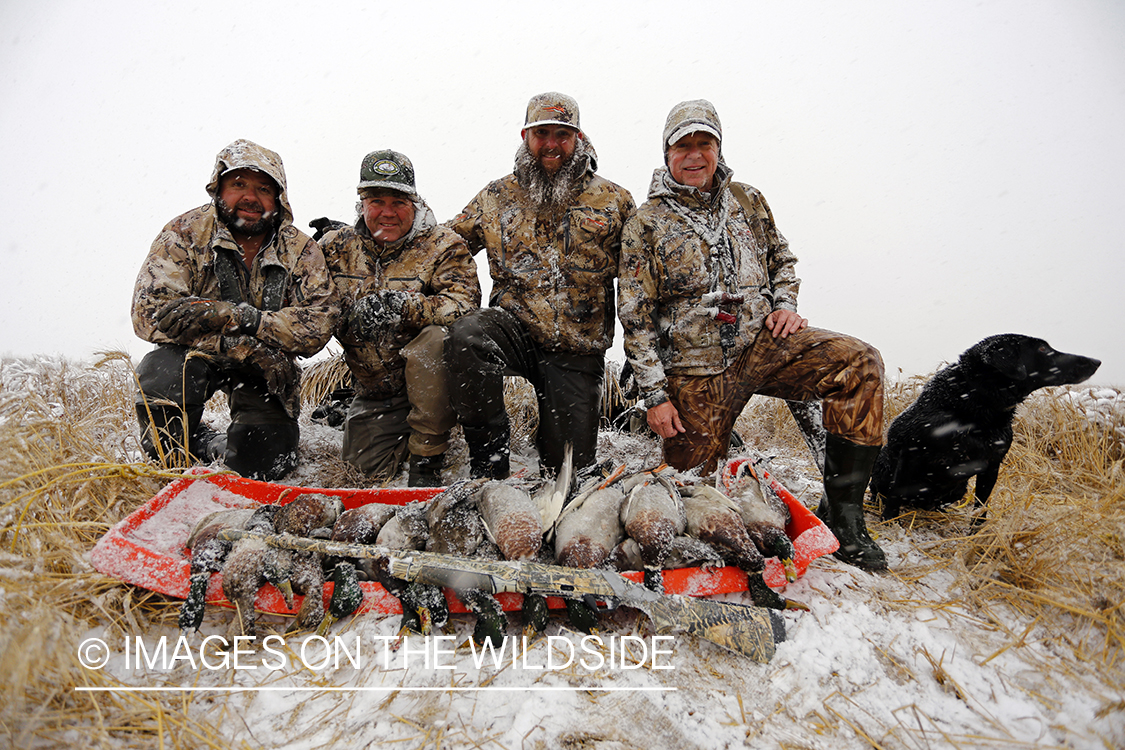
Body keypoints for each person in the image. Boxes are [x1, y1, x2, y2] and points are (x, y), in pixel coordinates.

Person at [618, 100, 888, 571]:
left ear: (719, 149)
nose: (695, 155)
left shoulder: (749, 200)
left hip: (765, 345)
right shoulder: (645, 223)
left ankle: (844, 519)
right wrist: (656, 397)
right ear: (667, 153)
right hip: (696, 368)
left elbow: (782, 261)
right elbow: (635, 316)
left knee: (859, 362)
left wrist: (786, 304)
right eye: (684, 145)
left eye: (706, 143)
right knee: (690, 491)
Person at [444, 92, 636, 479]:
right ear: (525, 136)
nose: (551, 144)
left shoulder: (614, 201)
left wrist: (640, 348)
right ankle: (490, 460)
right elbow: (443, 244)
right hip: (513, 331)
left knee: (567, 473)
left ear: (578, 138)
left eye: (562, 134)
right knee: (467, 336)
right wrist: (361, 238)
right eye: (541, 133)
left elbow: (640, 280)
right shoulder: (496, 197)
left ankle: (552, 441)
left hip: (576, 350)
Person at [132, 139, 339, 481]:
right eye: (238, 184)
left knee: (267, 463)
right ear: (218, 188)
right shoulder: (183, 233)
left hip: (266, 370)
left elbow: (319, 322)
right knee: (164, 373)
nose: (250, 197)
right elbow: (149, 312)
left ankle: (217, 447)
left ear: (278, 198)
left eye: (263, 189)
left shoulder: (300, 248)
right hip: (199, 357)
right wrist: (240, 343)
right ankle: (176, 453)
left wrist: (236, 317)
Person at [319, 150, 481, 486]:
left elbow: (464, 304)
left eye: (399, 201)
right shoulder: (335, 248)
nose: (387, 212)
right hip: (378, 392)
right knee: (363, 472)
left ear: (416, 202)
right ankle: (402, 435)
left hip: (441, 388)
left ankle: (428, 456)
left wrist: (401, 306)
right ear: (361, 203)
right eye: (377, 200)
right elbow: (307, 306)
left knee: (437, 337)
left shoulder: (443, 246)